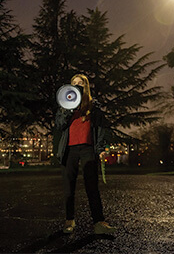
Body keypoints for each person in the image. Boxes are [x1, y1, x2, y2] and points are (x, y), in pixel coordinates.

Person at [55, 74, 116, 235]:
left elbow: (103, 128)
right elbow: (59, 125)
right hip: (70, 149)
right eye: (74, 83)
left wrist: (102, 147)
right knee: (69, 187)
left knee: (92, 186)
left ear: (86, 86)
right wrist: (69, 109)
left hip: (88, 148)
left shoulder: (94, 107)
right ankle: (69, 220)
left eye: (80, 83)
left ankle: (99, 222)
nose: (77, 85)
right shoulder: (65, 105)